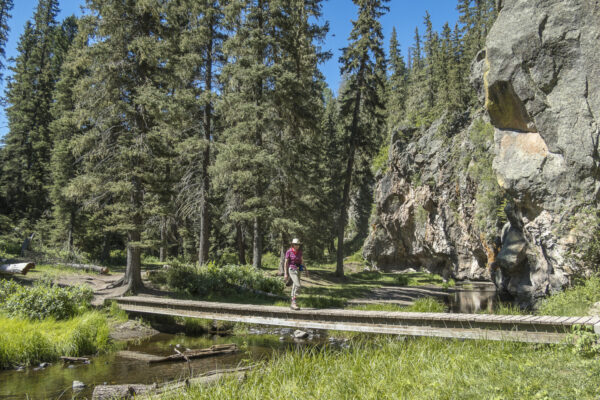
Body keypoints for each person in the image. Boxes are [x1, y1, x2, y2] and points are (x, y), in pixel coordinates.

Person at [284, 238, 309, 310]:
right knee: (298, 285)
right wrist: (285, 273)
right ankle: (294, 301)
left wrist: (306, 270)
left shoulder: (300, 252)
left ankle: (293, 303)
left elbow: (302, 261)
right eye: (295, 244)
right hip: (292, 269)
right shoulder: (289, 251)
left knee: (295, 285)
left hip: (299, 269)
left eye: (298, 244)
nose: (297, 246)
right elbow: (286, 263)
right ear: (292, 244)